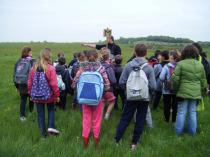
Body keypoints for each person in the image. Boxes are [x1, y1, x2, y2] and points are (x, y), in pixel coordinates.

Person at [115, 44, 156, 150]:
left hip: (130, 97)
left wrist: (127, 92)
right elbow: (153, 86)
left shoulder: (128, 65)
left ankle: (117, 140)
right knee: (140, 119)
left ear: (134, 52)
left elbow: (121, 82)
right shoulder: (149, 68)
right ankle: (134, 143)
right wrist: (149, 95)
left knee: (125, 118)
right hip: (144, 98)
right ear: (146, 53)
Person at [72, 50, 110, 148]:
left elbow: (74, 81)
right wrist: (105, 89)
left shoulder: (82, 68)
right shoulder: (101, 68)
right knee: (97, 120)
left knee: (86, 119)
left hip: (84, 98)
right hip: (98, 99)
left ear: (86, 57)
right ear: (97, 57)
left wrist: (74, 86)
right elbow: (107, 84)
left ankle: (85, 143)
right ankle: (96, 143)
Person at [172, 45, 207, 136]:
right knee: (192, 112)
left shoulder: (181, 64)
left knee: (181, 112)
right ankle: (192, 134)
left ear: (184, 53)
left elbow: (175, 79)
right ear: (195, 53)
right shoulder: (200, 65)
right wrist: (203, 91)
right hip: (196, 93)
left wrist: (176, 89)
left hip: (182, 92)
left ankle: (178, 134)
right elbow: (203, 81)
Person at [28, 48, 60, 137]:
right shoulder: (50, 68)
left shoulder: (33, 68)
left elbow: (29, 83)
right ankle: (50, 128)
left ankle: (43, 135)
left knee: (40, 114)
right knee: (51, 111)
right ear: (49, 56)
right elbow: (54, 84)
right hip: (49, 95)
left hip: (37, 96)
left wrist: (31, 94)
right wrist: (57, 95)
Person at [13, 46, 34, 121]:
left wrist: (16, 85)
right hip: (29, 83)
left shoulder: (18, 61)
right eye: (31, 52)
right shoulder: (31, 61)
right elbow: (33, 73)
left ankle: (22, 116)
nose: (32, 53)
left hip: (20, 83)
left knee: (23, 99)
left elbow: (14, 73)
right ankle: (31, 111)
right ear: (28, 53)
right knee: (31, 98)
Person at [159, 50, 180, 123]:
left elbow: (161, 77)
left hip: (166, 89)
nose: (170, 59)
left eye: (171, 58)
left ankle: (167, 119)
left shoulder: (166, 66)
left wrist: (165, 82)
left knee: (166, 105)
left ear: (173, 59)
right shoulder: (180, 66)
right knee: (175, 105)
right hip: (177, 89)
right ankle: (174, 120)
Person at [100, 48, 116, 120]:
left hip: (100, 87)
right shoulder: (108, 67)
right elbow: (113, 80)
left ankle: (100, 115)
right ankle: (107, 115)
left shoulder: (99, 65)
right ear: (109, 56)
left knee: (103, 101)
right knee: (112, 101)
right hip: (108, 87)